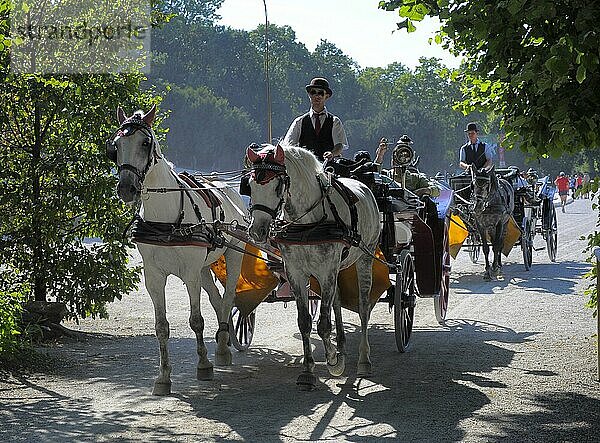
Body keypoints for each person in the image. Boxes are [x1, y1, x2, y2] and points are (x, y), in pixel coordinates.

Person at [283, 77, 348, 162]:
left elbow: (340, 145)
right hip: (305, 169)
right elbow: (288, 145)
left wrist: (332, 153)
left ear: (326, 96)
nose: (317, 96)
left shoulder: (334, 121)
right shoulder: (299, 122)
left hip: (328, 167)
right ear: (309, 95)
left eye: (320, 93)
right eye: (313, 92)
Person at [376, 136, 440, 198]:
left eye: (405, 156)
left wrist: (423, 191)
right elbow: (374, 174)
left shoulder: (416, 179)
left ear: (409, 160)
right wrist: (380, 156)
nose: (401, 159)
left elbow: (436, 191)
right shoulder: (386, 176)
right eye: (398, 156)